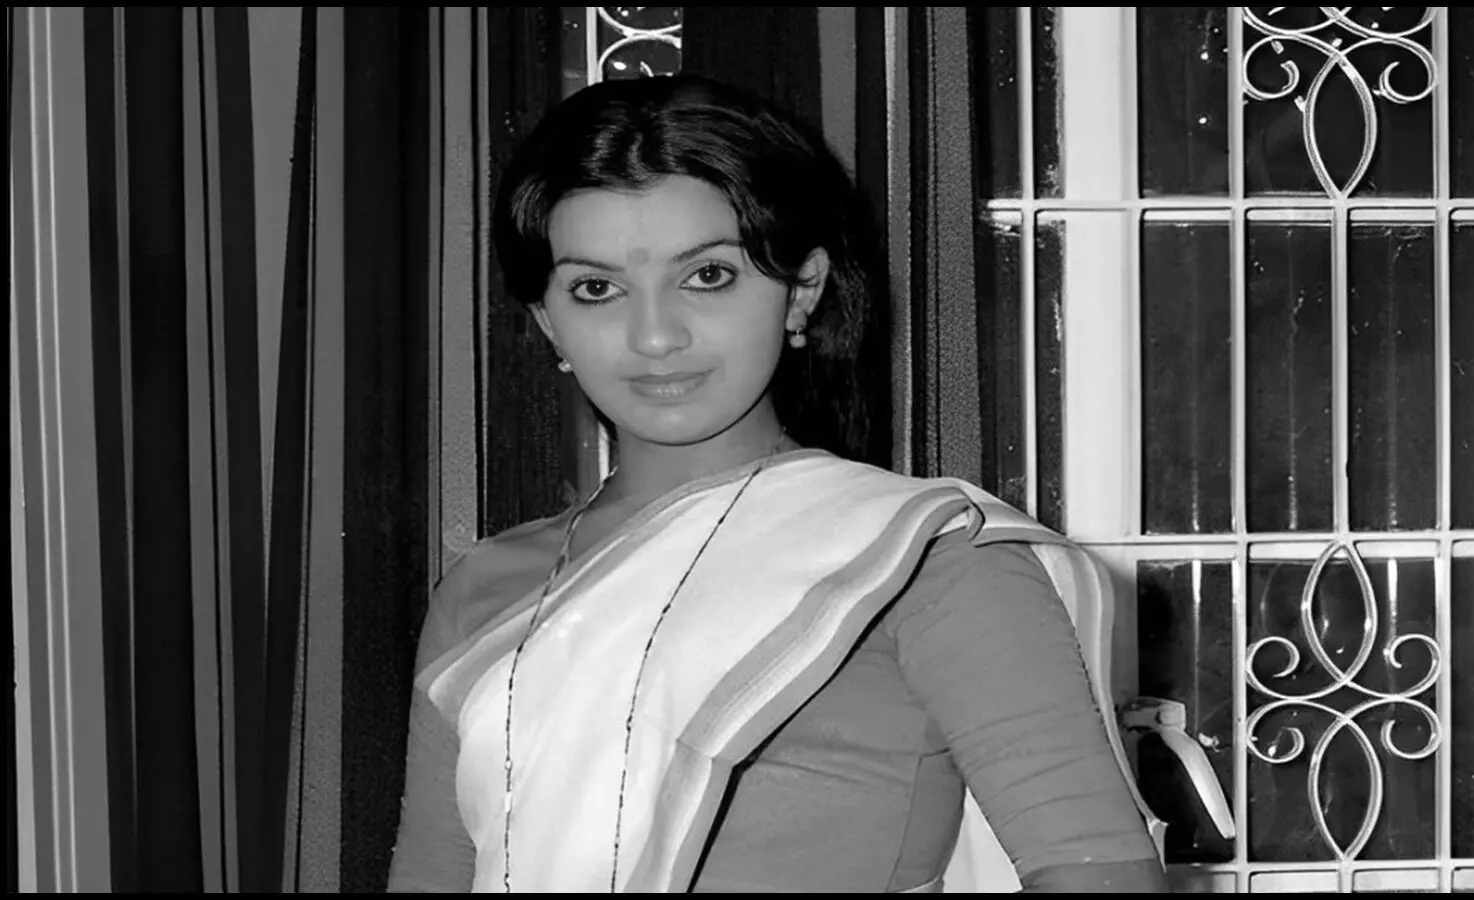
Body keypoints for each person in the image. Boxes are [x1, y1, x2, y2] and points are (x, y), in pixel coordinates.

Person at [387, 74, 1170, 894]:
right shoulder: (485, 592)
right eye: (597, 288)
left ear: (802, 290)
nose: (654, 336)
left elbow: (1101, 879)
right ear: (549, 321)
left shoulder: (926, 561)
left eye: (708, 276)